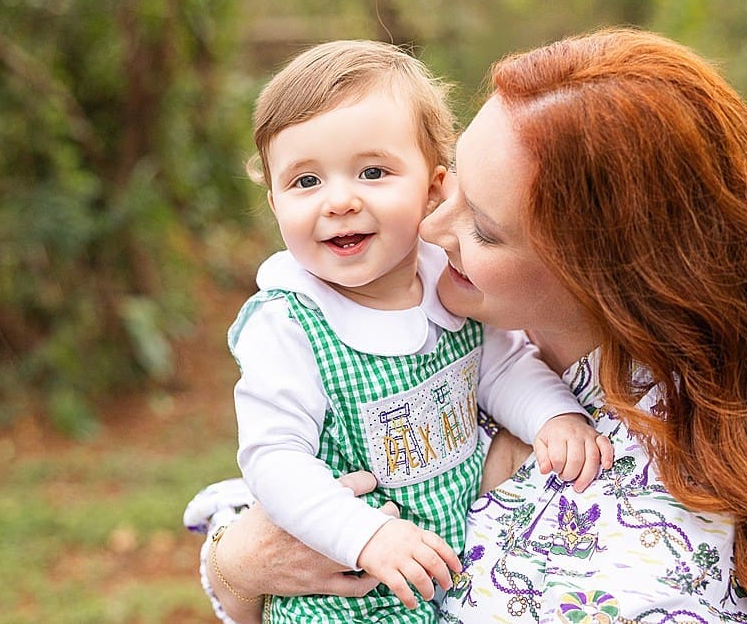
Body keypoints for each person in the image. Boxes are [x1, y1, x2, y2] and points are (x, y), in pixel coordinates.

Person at [187, 28, 747, 623]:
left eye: (481, 224)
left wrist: (246, 562)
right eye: (447, 185)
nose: (429, 225)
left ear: (600, 272)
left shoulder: (630, 546)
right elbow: (311, 451)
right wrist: (236, 561)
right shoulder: (476, 331)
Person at [221, 39, 613, 623]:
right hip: (346, 589)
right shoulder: (289, 322)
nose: (339, 201)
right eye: (305, 182)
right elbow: (274, 458)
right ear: (274, 201)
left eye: (372, 171)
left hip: (442, 570)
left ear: (433, 187)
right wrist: (364, 535)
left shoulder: (442, 283)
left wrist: (552, 415)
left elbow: (499, 366)